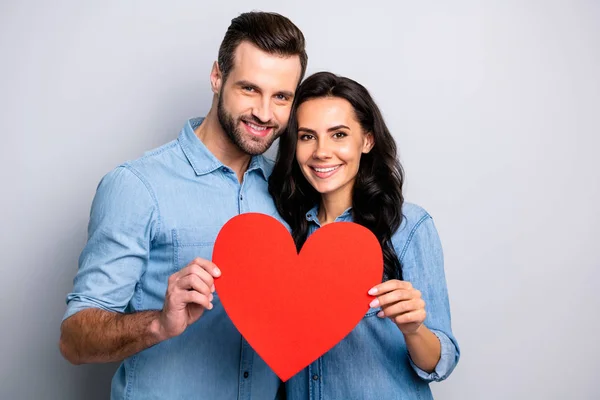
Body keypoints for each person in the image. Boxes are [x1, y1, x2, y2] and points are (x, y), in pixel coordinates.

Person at [59, 11, 307, 400]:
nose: (264, 112)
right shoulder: (138, 186)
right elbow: (74, 340)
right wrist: (158, 323)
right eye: (249, 89)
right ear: (216, 77)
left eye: (281, 97)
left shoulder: (288, 190)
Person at [269, 72, 460, 399]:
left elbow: (441, 362)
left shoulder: (409, 226)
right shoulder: (285, 231)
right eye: (307, 137)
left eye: (338, 134)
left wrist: (413, 329)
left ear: (367, 140)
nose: (322, 152)